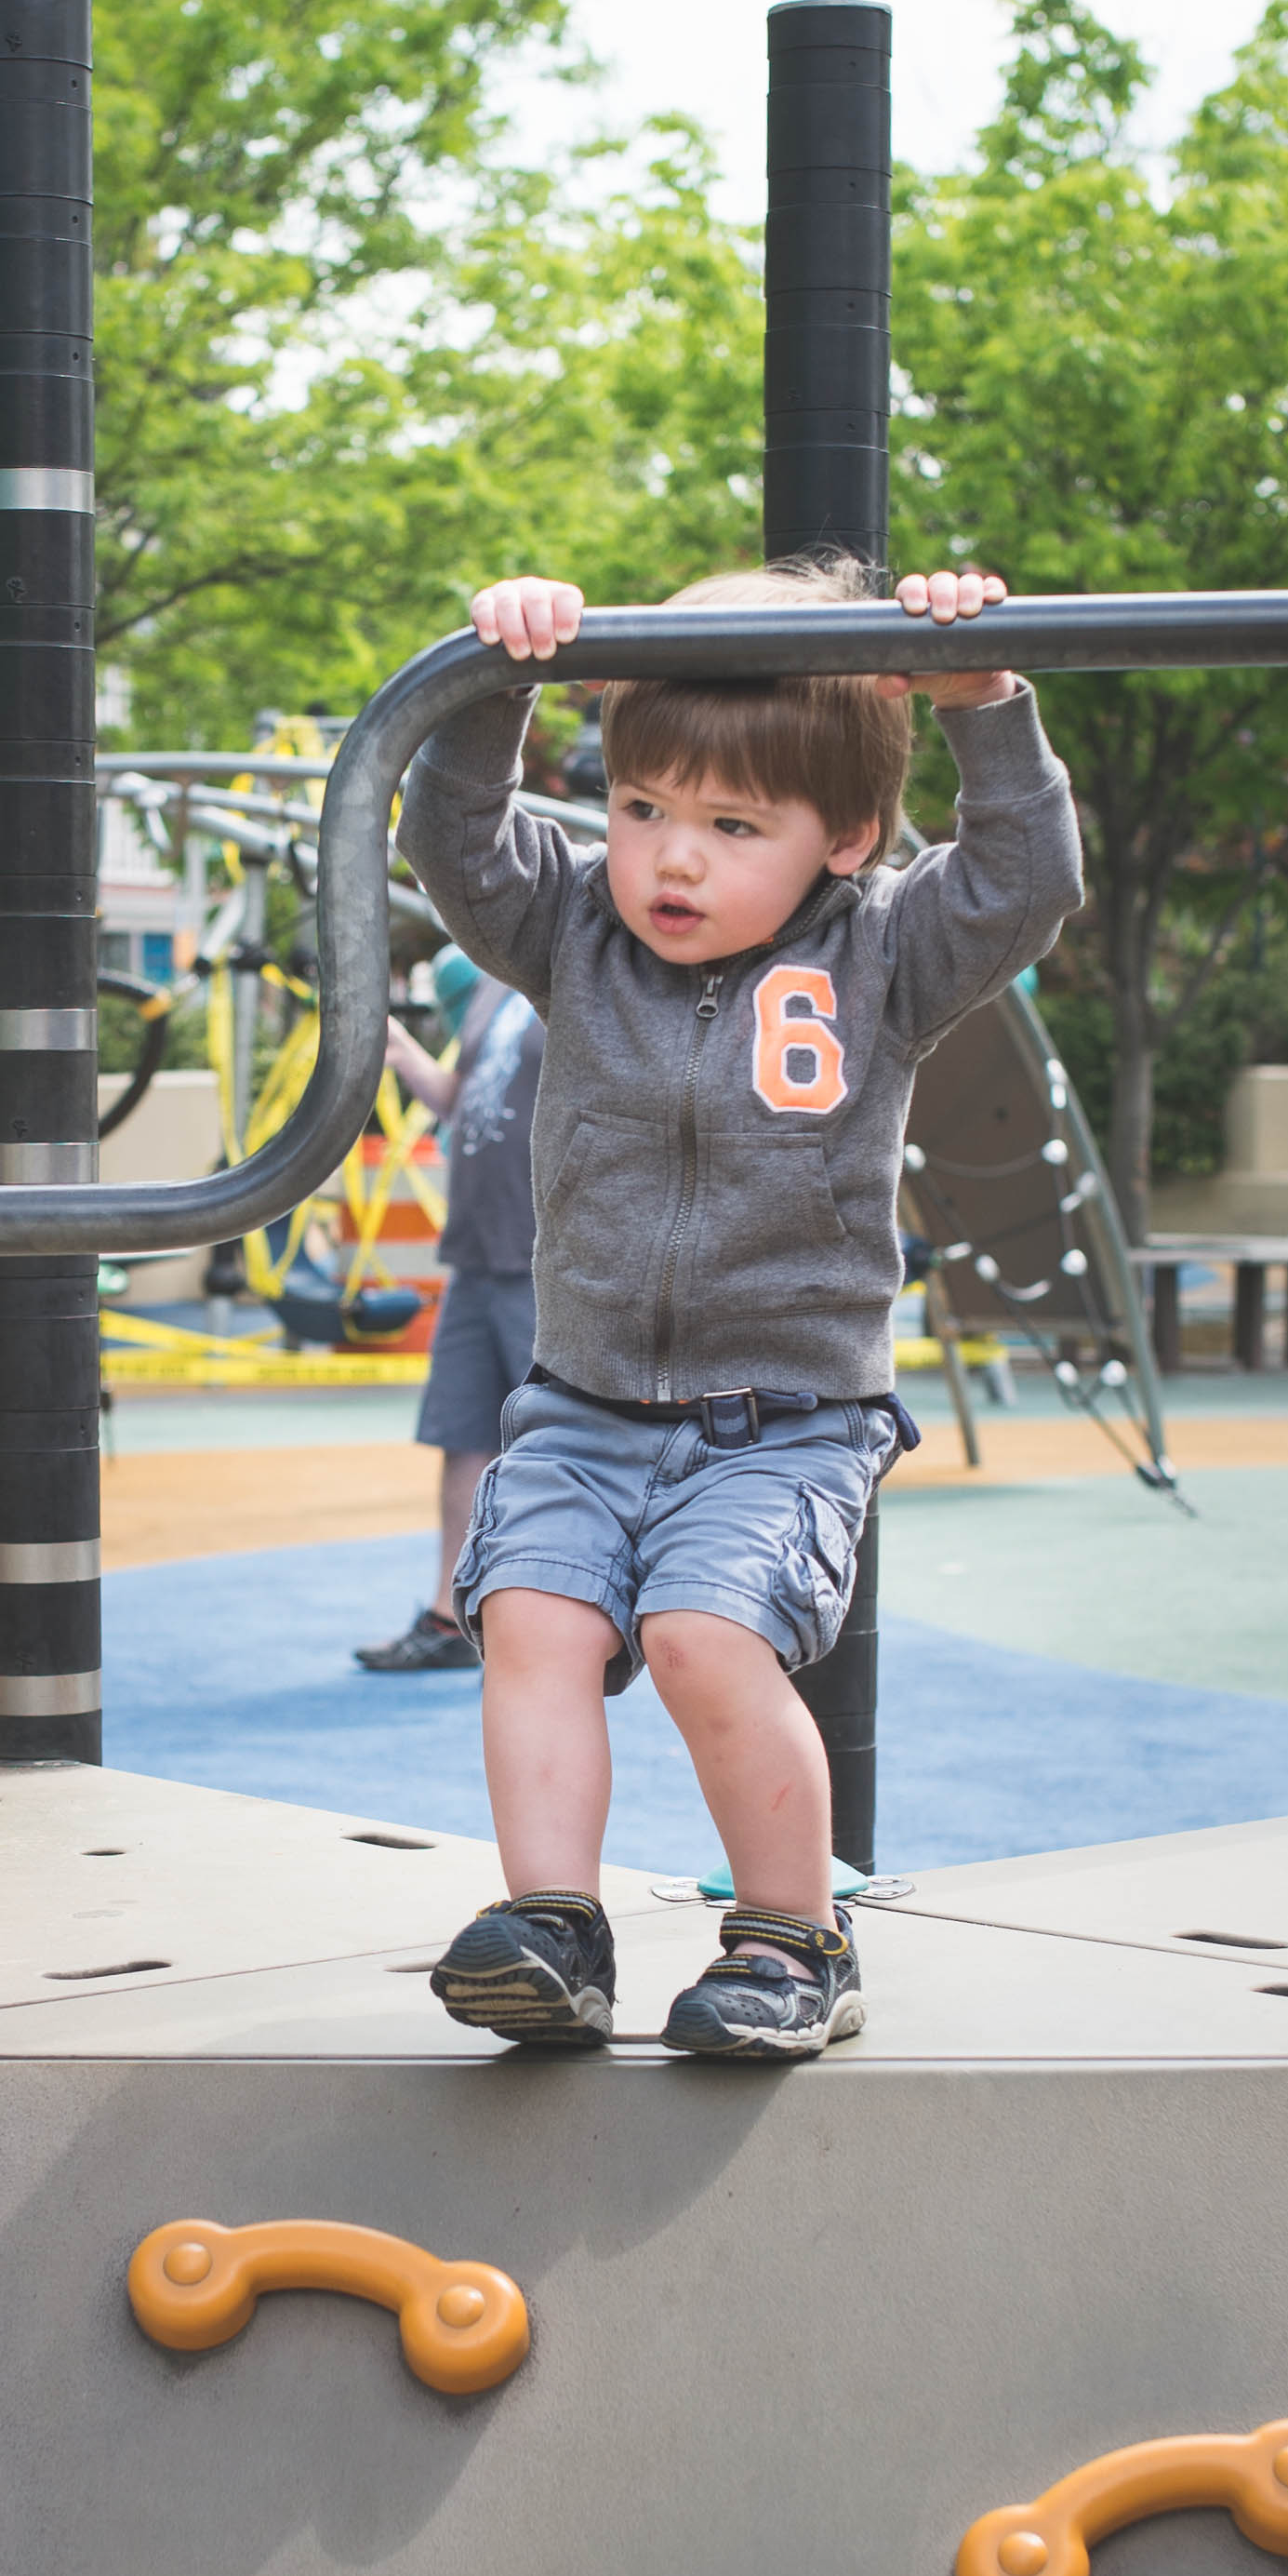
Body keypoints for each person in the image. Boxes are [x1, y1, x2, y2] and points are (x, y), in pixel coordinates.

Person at [399, 549, 1080, 2061]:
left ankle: (791, 1939)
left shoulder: (883, 951)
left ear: (844, 836)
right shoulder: (572, 933)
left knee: (702, 1634)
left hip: (784, 1418)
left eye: (730, 825)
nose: (672, 861)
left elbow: (1024, 881)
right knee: (527, 1618)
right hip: (581, 1405)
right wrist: (499, 682)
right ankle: (553, 1927)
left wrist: (981, 698)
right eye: (642, 806)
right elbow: (452, 843)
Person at [353, 949, 541, 1674]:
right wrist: (401, 1052)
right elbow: (462, 1098)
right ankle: (450, 1618)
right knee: (464, 1437)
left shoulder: (574, 969)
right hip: (475, 1251)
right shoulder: (493, 980)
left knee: (554, 1447)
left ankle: (563, 1623)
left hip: (540, 1255)